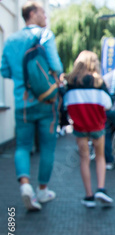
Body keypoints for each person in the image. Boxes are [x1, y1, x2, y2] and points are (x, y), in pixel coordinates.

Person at [1, 1, 63, 211]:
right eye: (43, 12)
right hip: (46, 101)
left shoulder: (10, 40)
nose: (46, 17)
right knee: (47, 147)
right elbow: (56, 66)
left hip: (22, 104)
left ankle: (25, 186)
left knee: (23, 146)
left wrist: (22, 78)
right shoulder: (45, 35)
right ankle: (43, 190)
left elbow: (5, 71)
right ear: (32, 13)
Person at [63, 51, 113, 207]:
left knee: (84, 159)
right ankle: (101, 188)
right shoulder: (99, 82)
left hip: (79, 126)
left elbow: (66, 104)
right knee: (100, 156)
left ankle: (89, 196)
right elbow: (108, 104)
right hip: (97, 124)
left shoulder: (71, 82)